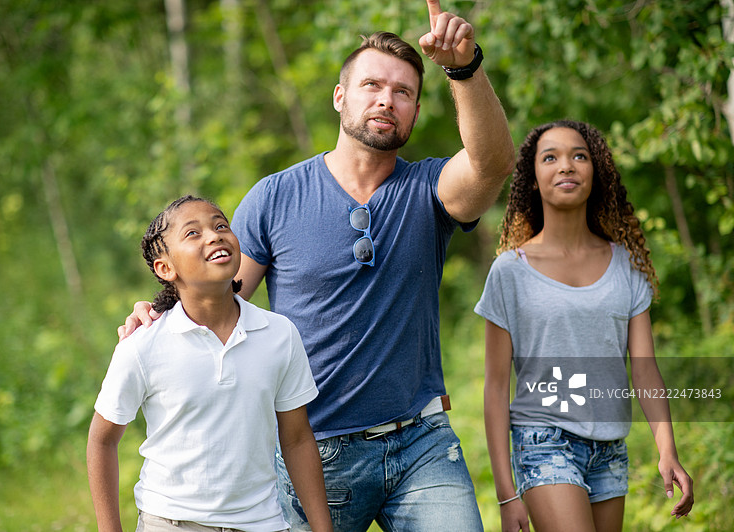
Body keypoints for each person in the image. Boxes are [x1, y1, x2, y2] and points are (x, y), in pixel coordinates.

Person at [119, 1, 515, 529]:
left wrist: (463, 68)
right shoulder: (275, 197)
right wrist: (158, 313)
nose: (387, 100)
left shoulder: (428, 190)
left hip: (422, 443)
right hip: (314, 447)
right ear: (339, 96)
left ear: (416, 112)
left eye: (403, 93)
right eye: (372, 85)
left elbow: (493, 164)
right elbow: (220, 298)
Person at [475, 120, 694, 532]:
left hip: (610, 448)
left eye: (579, 155)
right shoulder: (510, 272)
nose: (566, 166)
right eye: (550, 157)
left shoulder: (627, 266)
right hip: (543, 441)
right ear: (533, 180)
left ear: (597, 174)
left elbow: (645, 369)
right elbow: (495, 385)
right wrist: (507, 493)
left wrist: (668, 450)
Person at [88, 195, 333, 532]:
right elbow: (102, 441)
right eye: (193, 233)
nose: (214, 235)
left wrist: (323, 528)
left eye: (221, 226)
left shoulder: (280, 334)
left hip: (263, 524)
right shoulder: (144, 344)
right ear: (165, 267)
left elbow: (297, 439)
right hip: (171, 523)